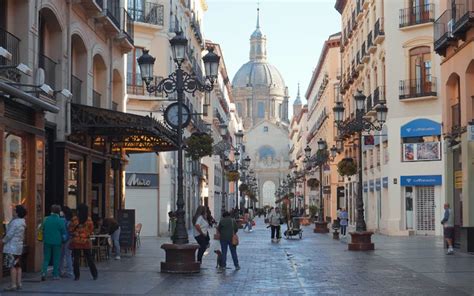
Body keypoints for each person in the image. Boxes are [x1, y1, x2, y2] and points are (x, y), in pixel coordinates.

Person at [69, 204, 98, 280]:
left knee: (76, 258)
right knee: (89, 258)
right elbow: (91, 229)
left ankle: (77, 276)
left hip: (76, 241)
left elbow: (70, 229)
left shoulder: (74, 219)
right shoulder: (89, 220)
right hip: (86, 241)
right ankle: (94, 274)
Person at [2, 205, 27, 291]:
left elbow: (9, 234)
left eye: (14, 210)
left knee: (12, 266)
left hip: (11, 246)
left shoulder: (15, 222)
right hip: (18, 246)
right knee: (18, 265)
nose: (13, 212)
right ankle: (19, 283)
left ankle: (13, 284)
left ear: (17, 213)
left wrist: (3, 241)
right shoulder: (22, 222)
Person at [41, 204, 66, 281]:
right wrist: (64, 240)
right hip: (57, 241)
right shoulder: (60, 221)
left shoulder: (46, 219)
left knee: (46, 258)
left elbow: (42, 228)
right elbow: (63, 232)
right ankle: (55, 274)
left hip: (47, 240)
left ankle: (43, 272)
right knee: (56, 258)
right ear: (59, 212)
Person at [59, 206, 73, 278]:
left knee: (61, 255)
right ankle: (70, 271)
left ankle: (60, 270)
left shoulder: (61, 220)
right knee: (68, 255)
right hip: (69, 238)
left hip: (62, 239)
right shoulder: (70, 220)